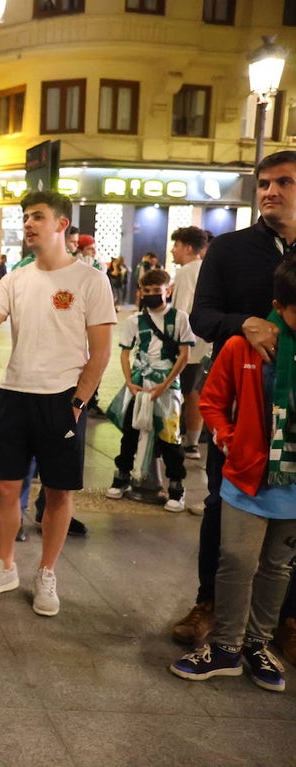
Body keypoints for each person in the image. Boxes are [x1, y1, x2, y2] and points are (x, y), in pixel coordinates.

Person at [0, 190, 116, 617]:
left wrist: (78, 402)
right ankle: (5, 565)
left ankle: (47, 572)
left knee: (59, 492)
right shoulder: (16, 279)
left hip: (61, 400)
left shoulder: (90, 280)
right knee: (5, 487)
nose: (28, 224)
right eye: (25, 217)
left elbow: (101, 350)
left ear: (62, 224)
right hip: (14, 395)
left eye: (37, 217)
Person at [173, 150, 296, 647]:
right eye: (264, 183)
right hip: (241, 405)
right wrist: (241, 324)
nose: (270, 191)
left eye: (284, 182)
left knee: (290, 518)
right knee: (223, 505)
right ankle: (211, 603)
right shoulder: (229, 249)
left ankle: (284, 620)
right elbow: (201, 317)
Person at [169, 258, 296, 693]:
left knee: (277, 567)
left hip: (292, 486)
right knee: (237, 562)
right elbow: (211, 401)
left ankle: (258, 643)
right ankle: (225, 646)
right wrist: (228, 439)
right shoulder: (243, 347)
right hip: (245, 478)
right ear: (279, 305)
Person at [104, 268, 193, 511]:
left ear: (168, 290)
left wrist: (165, 385)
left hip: (167, 384)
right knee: (130, 430)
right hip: (139, 383)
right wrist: (130, 382)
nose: (152, 295)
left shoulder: (180, 319)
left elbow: (184, 356)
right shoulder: (134, 321)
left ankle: (176, 486)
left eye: (157, 291)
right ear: (141, 292)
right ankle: (122, 475)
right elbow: (124, 353)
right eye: (148, 291)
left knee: (169, 435)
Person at [169, 226, 211, 460]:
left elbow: (181, 311)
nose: (172, 251)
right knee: (196, 390)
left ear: (187, 247)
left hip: (188, 343)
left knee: (188, 392)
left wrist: (174, 341)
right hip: (204, 341)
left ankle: (187, 442)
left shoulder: (186, 272)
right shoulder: (206, 268)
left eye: (175, 246)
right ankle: (193, 441)